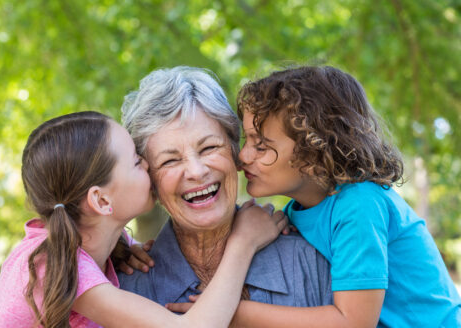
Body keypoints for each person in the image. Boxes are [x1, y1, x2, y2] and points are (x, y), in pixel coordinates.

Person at [0, 111, 286, 328]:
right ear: (101, 200)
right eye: (137, 162)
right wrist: (243, 243)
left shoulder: (89, 250)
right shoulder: (54, 263)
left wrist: (124, 245)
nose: (150, 168)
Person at [235, 65, 461, 327]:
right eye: (246, 141)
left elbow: (352, 323)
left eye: (261, 145)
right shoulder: (298, 211)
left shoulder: (359, 203)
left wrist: (234, 313)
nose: (242, 156)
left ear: (313, 152)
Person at [118, 66, 333, 317]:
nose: (196, 172)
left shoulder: (311, 260)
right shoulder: (124, 287)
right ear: (150, 181)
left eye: (209, 147)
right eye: (170, 161)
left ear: (235, 153)